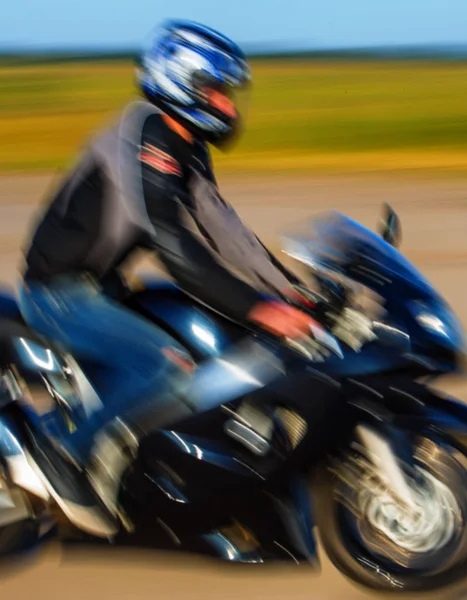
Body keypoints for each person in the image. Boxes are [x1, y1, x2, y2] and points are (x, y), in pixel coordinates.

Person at [18, 20, 316, 537]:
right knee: (166, 366)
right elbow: (174, 246)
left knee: (206, 344)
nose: (227, 106)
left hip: (100, 288)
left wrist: (293, 293)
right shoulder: (146, 134)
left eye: (226, 95)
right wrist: (259, 307)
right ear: (182, 82)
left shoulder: (185, 145)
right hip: (58, 294)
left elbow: (227, 233)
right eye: (216, 91)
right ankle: (62, 452)